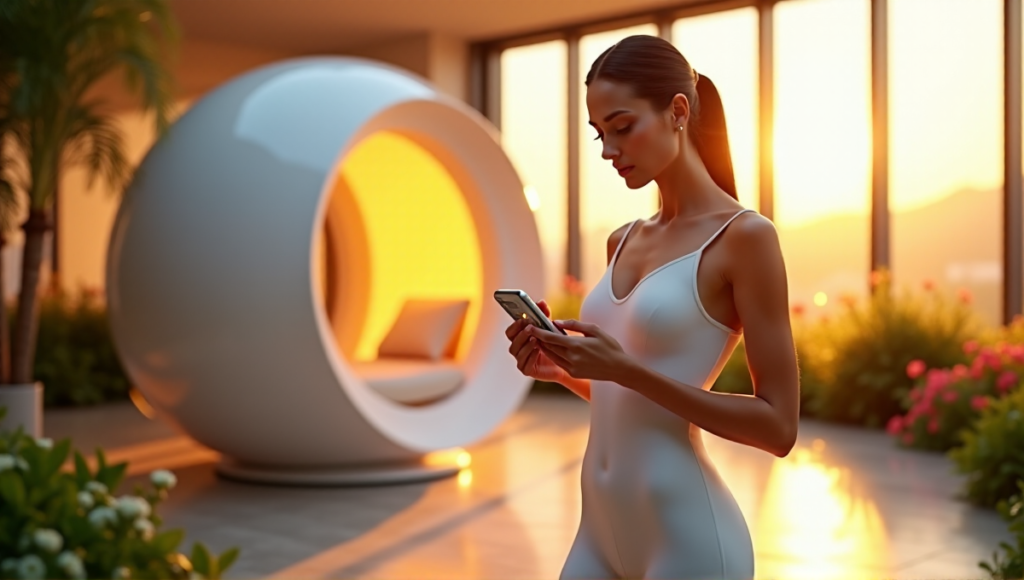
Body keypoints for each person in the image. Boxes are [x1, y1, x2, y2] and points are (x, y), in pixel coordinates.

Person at [503, 35, 800, 580]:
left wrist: (625, 370)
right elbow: (627, 396)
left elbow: (778, 427)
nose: (608, 150)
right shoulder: (622, 240)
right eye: (599, 134)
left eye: (622, 127)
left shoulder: (745, 239)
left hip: (689, 538)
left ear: (677, 112)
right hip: (599, 528)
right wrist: (564, 371)